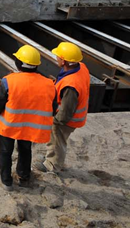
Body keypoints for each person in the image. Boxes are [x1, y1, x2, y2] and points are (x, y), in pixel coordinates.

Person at [0, 45, 57, 191]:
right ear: (36, 65)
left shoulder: (9, 81)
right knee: (25, 151)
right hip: (31, 127)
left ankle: (7, 182)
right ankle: (24, 177)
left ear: (18, 63)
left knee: (5, 152)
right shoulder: (49, 84)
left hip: (10, 126)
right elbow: (53, 108)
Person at [34, 42, 90, 174]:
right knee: (57, 141)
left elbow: (66, 110)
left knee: (57, 141)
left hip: (66, 120)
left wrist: (56, 121)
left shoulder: (71, 84)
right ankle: (53, 159)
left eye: (58, 56)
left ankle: (52, 165)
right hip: (74, 116)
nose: (56, 58)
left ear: (64, 61)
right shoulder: (81, 67)